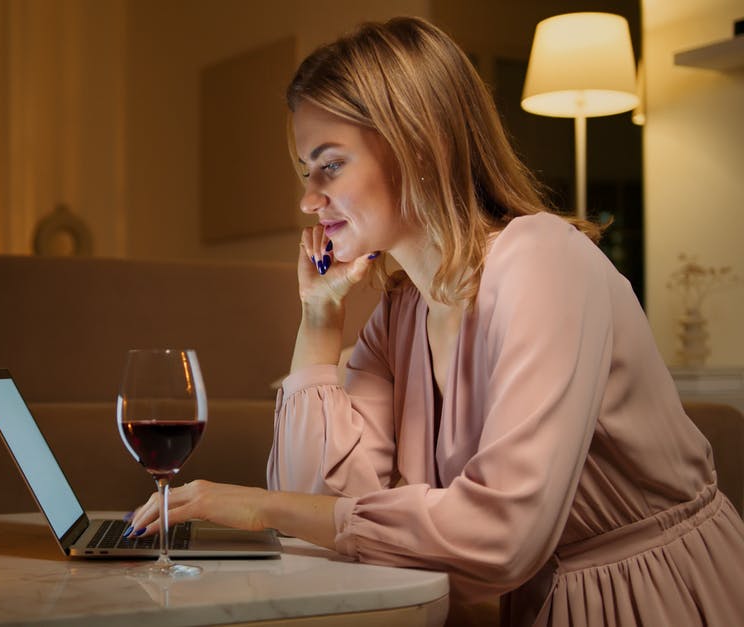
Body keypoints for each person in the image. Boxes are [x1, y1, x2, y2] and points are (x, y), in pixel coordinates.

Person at [126, 16, 744, 627]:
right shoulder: (404, 310)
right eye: (303, 171)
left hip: (648, 599)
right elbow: (322, 512)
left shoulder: (543, 261)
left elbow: (504, 536)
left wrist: (261, 509)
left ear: (419, 146)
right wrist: (319, 320)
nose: (308, 200)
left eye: (330, 165)